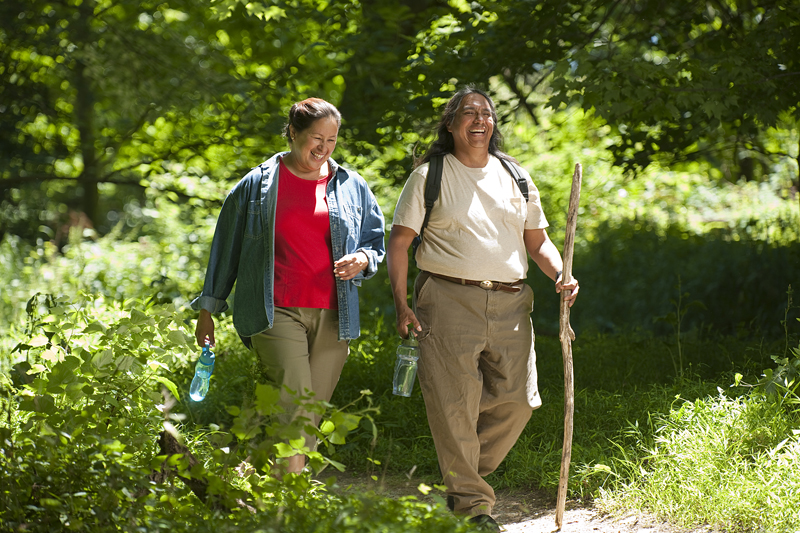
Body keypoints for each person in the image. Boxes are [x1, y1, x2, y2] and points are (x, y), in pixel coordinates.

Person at [387, 86, 579, 532]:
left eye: (487, 113)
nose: (479, 119)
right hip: (446, 299)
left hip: (513, 303)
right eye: (468, 113)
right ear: (450, 125)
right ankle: (474, 507)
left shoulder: (515, 174)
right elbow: (399, 243)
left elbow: (538, 241)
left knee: (519, 402)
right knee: (454, 405)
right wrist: (402, 305)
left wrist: (560, 273)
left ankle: (462, 477)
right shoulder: (429, 176)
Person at [191, 97, 386, 474]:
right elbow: (225, 248)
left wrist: (363, 259)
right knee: (295, 404)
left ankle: (258, 480)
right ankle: (290, 501)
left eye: (331, 140)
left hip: (335, 314)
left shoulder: (350, 184)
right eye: (316, 138)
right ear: (293, 133)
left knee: (308, 413)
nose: (323, 148)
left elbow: (375, 241)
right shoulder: (257, 185)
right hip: (274, 309)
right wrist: (207, 311)